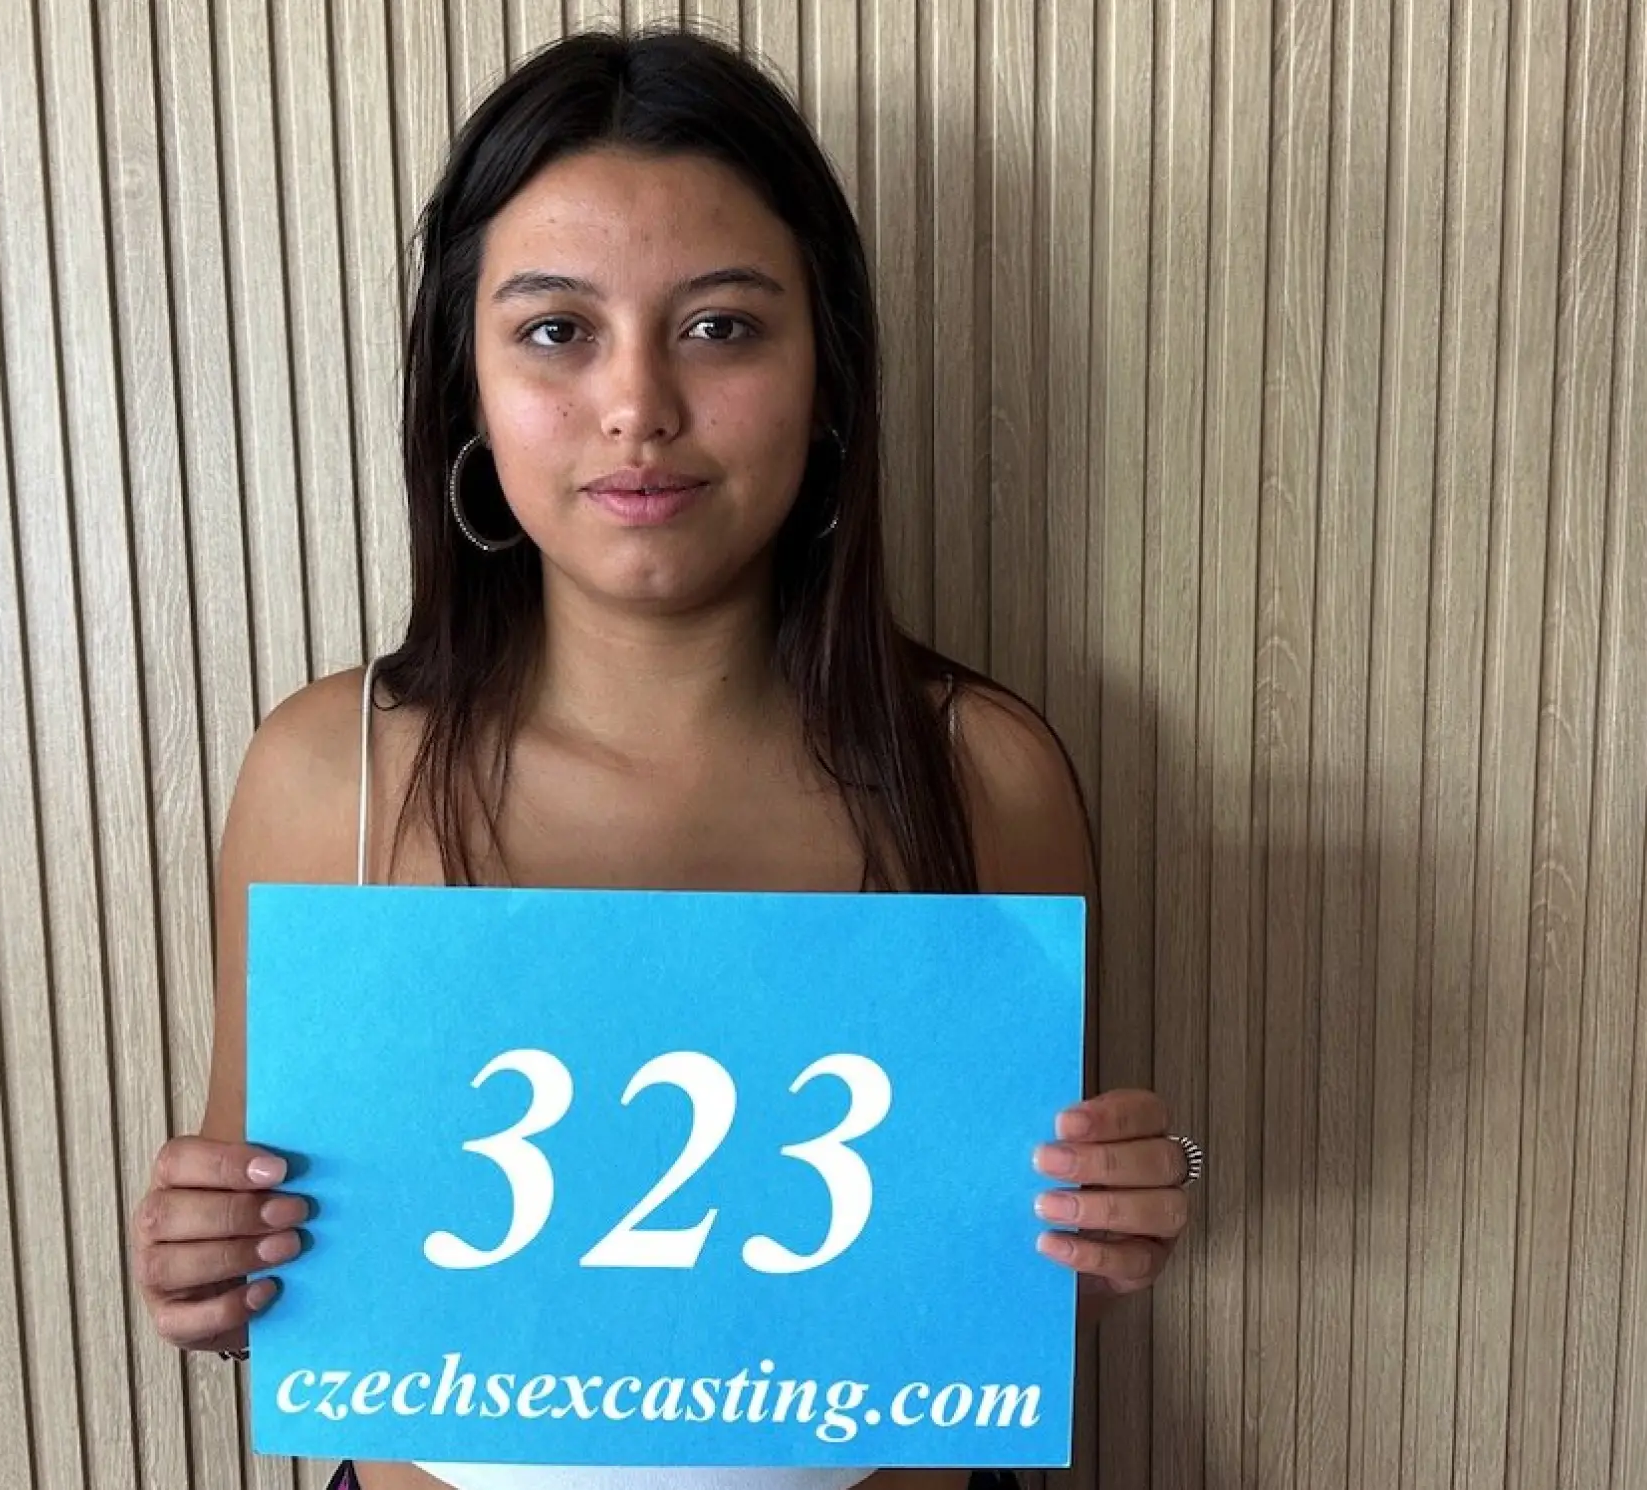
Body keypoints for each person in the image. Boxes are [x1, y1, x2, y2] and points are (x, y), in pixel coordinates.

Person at [128, 28, 1201, 1490]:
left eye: (721, 327)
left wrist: (1129, 1211)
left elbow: (1019, 1280)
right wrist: (208, 1270)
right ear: (465, 384)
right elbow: (271, 1265)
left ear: (828, 377)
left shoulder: (980, 775)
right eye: (556, 331)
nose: (638, 405)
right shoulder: (334, 773)